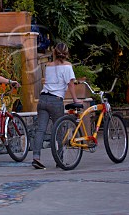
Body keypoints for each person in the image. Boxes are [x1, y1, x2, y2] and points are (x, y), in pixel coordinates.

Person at [31, 42, 82, 170]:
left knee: (40, 130)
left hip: (43, 99)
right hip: (56, 101)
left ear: (54, 53)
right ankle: (59, 159)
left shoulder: (48, 65)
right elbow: (70, 84)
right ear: (66, 53)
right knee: (59, 130)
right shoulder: (67, 66)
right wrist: (75, 99)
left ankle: (36, 157)